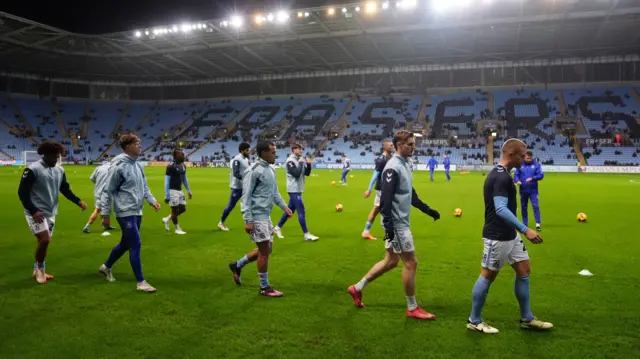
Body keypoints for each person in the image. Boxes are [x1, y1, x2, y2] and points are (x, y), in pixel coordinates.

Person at [347, 131, 441, 319]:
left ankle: (357, 288)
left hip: (398, 222)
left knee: (391, 261)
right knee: (411, 262)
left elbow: (409, 193)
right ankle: (412, 308)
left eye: (414, 144)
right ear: (399, 144)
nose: (414, 147)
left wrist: (427, 210)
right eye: (410, 144)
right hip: (396, 224)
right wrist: (389, 227)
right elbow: (386, 200)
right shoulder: (392, 167)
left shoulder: (406, 163)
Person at [467, 138, 552, 334]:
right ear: (511, 155)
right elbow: (501, 209)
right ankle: (474, 320)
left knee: (524, 270)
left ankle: (527, 318)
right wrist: (526, 229)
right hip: (497, 236)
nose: (524, 159)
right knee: (487, 275)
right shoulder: (500, 177)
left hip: (510, 235)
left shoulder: (504, 174)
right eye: (522, 156)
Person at [228, 141, 293, 296]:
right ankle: (264, 288)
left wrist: (285, 207)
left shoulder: (271, 169)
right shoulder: (253, 170)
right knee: (264, 251)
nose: (275, 155)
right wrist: (248, 219)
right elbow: (246, 196)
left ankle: (237, 265)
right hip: (256, 216)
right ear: (263, 153)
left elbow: (275, 193)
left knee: (267, 249)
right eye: (272, 152)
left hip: (265, 215)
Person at [18, 140, 87, 284]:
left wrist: (78, 201)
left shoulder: (59, 170)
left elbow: (65, 189)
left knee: (43, 242)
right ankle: (40, 270)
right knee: (45, 240)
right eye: (54, 157)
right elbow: (22, 192)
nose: (56, 160)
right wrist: (33, 210)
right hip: (36, 212)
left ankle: (36, 268)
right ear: (45, 155)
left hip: (51, 211)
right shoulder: (32, 169)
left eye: (58, 157)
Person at [98, 134, 161, 293]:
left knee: (126, 243)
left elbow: (144, 186)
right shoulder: (118, 166)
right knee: (136, 244)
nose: (140, 145)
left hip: (137, 210)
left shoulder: (138, 165)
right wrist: (105, 214)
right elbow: (108, 191)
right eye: (136, 143)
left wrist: (151, 200)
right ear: (127, 146)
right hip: (124, 211)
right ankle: (141, 282)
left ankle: (106, 267)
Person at [273, 143, 319, 241]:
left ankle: (277, 228)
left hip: (298, 189)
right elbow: (296, 174)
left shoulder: (298, 160)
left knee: (290, 210)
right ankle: (306, 234)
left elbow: (306, 173)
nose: (301, 151)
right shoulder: (290, 161)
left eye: (302, 149)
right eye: (299, 149)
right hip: (293, 190)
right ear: (294, 150)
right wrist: (302, 163)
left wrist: (309, 164)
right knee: (301, 211)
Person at [361, 140, 394, 240]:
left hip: (386, 188)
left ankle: (366, 232)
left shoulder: (390, 158)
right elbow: (375, 174)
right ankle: (388, 232)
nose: (393, 146)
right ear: (385, 147)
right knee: (386, 209)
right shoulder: (381, 160)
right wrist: (369, 189)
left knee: (376, 209)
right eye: (390, 145)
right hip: (382, 189)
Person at [218, 142, 251, 231]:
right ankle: (221, 222)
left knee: (249, 204)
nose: (249, 152)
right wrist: (246, 178)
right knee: (231, 206)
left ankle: (250, 223)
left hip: (245, 186)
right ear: (242, 150)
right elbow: (236, 173)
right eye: (247, 150)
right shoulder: (237, 160)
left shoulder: (246, 159)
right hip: (237, 187)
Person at [162, 149, 192, 235]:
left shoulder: (183, 165)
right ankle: (177, 229)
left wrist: (188, 190)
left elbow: (184, 179)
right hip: (172, 191)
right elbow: (166, 181)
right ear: (175, 156)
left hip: (179, 190)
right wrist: (167, 195)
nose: (183, 155)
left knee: (183, 209)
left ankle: (167, 219)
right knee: (174, 211)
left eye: (183, 154)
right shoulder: (170, 166)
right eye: (181, 154)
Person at [514, 151, 544, 231]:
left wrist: (533, 178)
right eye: (527, 158)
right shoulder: (519, 165)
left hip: (533, 190)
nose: (529, 159)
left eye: (530, 158)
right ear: (524, 157)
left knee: (535, 206)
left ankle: (538, 223)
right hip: (523, 190)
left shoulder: (537, 165)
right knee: (524, 207)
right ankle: (525, 224)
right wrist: (517, 181)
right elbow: (516, 175)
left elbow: (541, 175)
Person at [83, 159, 116, 233]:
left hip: (97, 191)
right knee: (99, 210)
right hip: (105, 193)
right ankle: (87, 226)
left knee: (102, 209)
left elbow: (92, 178)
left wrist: (98, 183)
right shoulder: (112, 170)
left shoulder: (98, 168)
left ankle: (106, 226)